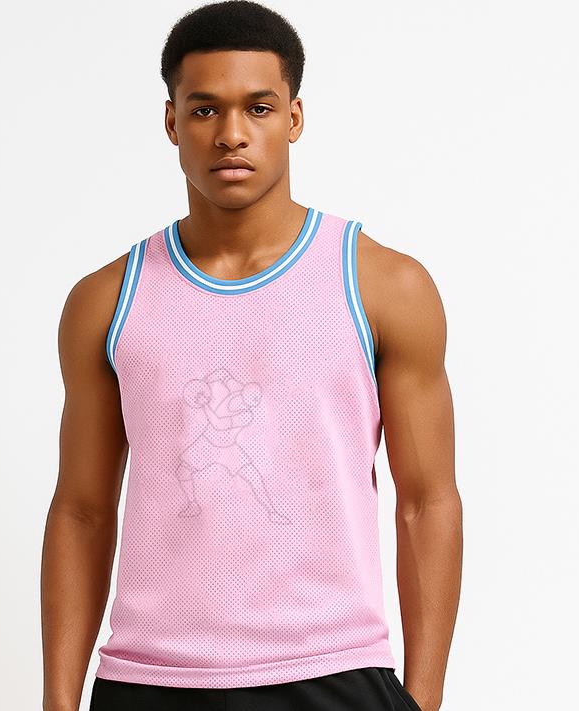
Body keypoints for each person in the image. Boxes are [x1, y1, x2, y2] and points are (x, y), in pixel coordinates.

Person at [40, 2, 462, 710]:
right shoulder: (106, 300)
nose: (231, 134)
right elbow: (81, 511)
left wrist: (421, 702)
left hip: (333, 671)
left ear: (293, 118)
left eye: (258, 108)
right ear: (172, 122)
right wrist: (57, 703)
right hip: (151, 680)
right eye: (204, 110)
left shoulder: (385, 286)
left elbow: (427, 502)